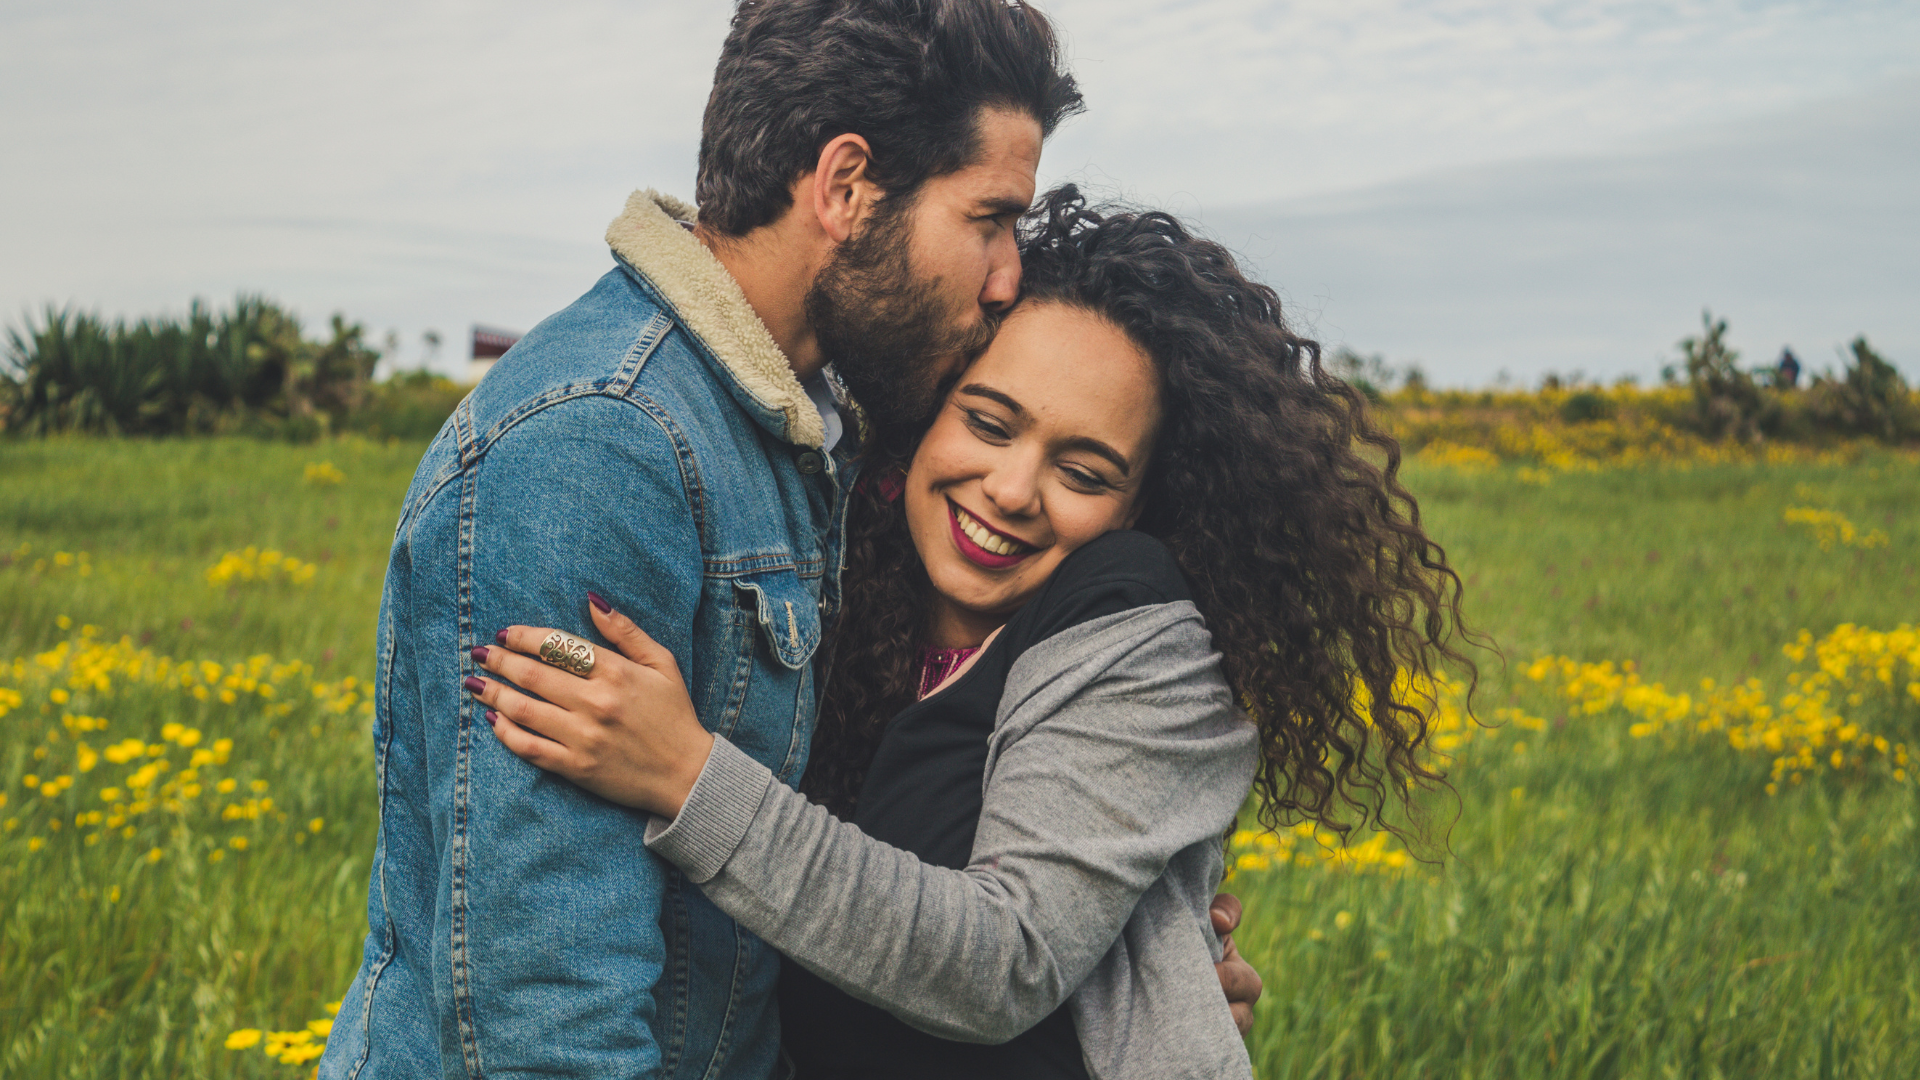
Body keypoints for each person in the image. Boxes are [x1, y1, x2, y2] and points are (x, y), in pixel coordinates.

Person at [318, 4, 1259, 1078]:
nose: (1007, 275)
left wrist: (1135, 980)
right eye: (988, 218)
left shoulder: (806, 437)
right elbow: (548, 1010)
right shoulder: (602, 447)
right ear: (847, 187)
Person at [470, 189, 1476, 1078]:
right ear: (921, 416)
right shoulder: (837, 593)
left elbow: (1003, 963)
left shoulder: (1141, 630)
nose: (1011, 490)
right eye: (989, 423)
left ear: (1139, 506)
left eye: (1084, 473)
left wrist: (685, 775)